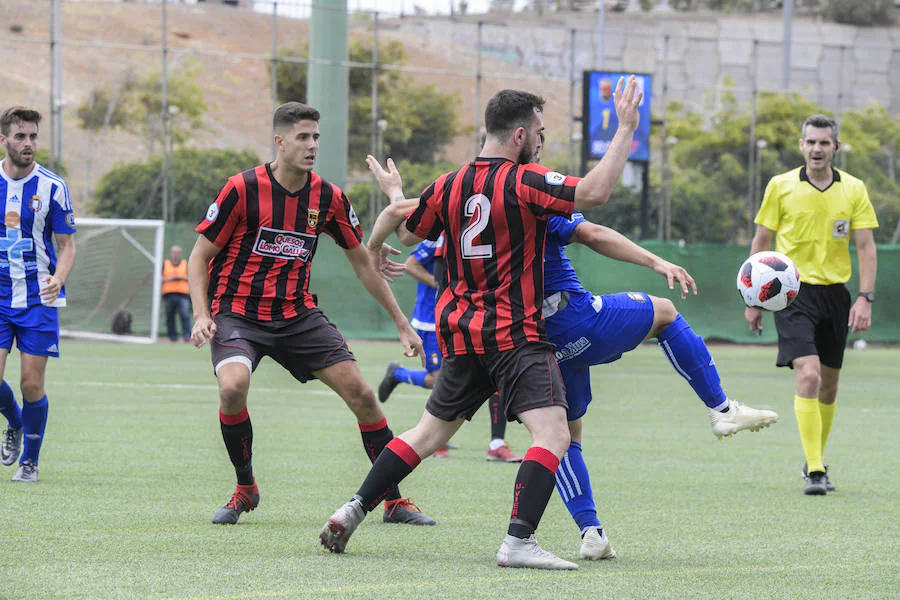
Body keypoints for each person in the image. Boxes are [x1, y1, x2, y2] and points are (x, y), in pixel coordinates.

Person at [319, 77, 643, 570]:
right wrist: (625, 128)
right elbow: (594, 193)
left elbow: (406, 231)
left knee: (427, 433)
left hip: (460, 331)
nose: (540, 140)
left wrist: (377, 236)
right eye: (538, 131)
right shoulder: (525, 180)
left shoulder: (449, 184)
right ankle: (518, 542)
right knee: (554, 435)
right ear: (518, 135)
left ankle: (353, 508)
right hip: (516, 333)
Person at [188, 101, 434, 527]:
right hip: (238, 313)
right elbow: (198, 255)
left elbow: (363, 261)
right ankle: (246, 488)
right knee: (233, 386)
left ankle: (393, 501)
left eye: (316, 137)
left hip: (298, 315)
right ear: (279, 142)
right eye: (303, 137)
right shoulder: (241, 189)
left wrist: (401, 323)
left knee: (363, 394)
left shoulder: (329, 197)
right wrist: (199, 313)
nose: (312, 145)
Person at [542, 210, 779, 559]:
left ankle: (592, 533)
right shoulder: (534, 192)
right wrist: (656, 261)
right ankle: (722, 408)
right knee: (665, 312)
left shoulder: (473, 203)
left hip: (531, 337)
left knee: (562, 435)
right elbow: (591, 232)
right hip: (573, 318)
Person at [746, 114, 878, 496]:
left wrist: (866, 298)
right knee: (808, 374)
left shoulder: (854, 189)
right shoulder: (780, 186)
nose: (817, 149)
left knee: (829, 385)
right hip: (791, 293)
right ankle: (816, 470)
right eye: (811, 142)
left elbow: (866, 247)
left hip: (836, 295)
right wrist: (753, 299)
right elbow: (761, 241)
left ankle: (814, 457)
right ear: (801, 145)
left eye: (824, 142)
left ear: (835, 147)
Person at [377, 235, 523, 462]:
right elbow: (412, 264)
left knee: (493, 373)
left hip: (465, 317)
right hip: (431, 319)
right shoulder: (440, 235)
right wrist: (441, 285)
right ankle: (399, 376)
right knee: (439, 379)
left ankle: (495, 444)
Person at [0, 106, 77, 483]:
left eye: (32, 136)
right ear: (4, 140)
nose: (28, 144)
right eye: (20, 136)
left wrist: (58, 278)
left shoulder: (53, 186)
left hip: (37, 298)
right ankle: (14, 420)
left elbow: (67, 246)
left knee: (32, 384)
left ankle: (29, 461)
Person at [162, 245, 192, 342]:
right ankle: (172, 338)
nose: (176, 254)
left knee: (185, 315)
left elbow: (191, 277)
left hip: (183, 295)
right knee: (170, 316)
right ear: (171, 253)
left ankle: (187, 336)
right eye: (174, 252)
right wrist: (169, 279)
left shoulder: (185, 264)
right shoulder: (165, 264)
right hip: (168, 295)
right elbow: (159, 278)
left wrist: (180, 277)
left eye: (178, 252)